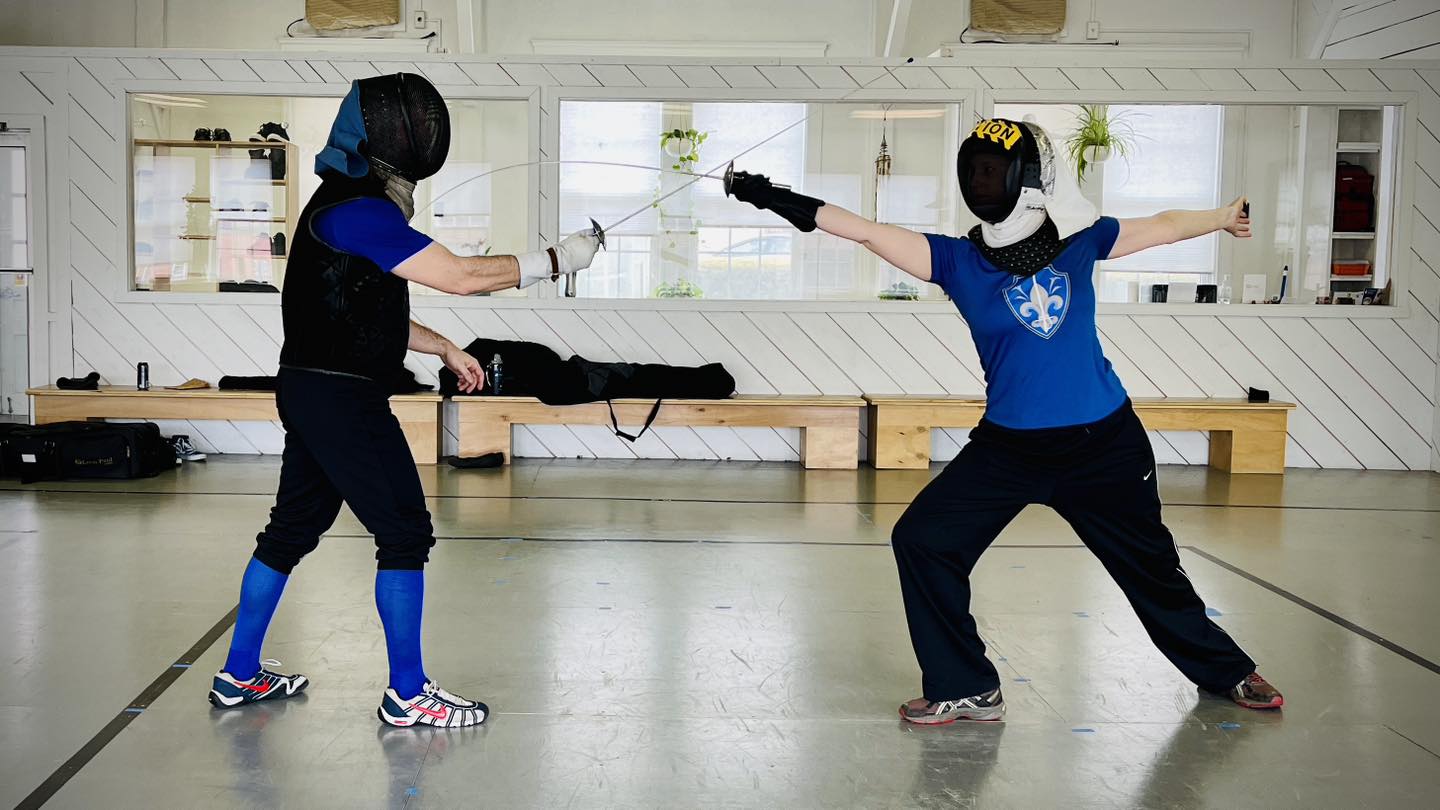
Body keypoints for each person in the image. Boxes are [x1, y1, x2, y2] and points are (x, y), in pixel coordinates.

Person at [727, 117, 1283, 724]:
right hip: (1009, 451)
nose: (981, 180)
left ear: (1029, 179)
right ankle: (967, 685)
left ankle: (1228, 671)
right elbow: (860, 229)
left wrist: (1223, 216)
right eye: (974, 170)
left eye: (994, 170)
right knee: (922, 540)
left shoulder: (1081, 239)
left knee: (1151, 570)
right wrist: (768, 194)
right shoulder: (957, 261)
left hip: (1104, 446)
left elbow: (1165, 226)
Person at [208, 73, 600, 728]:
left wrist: (443, 347)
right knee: (403, 531)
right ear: (387, 139)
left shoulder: (346, 210)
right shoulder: (356, 210)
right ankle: (407, 693)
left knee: (291, 530)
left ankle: (238, 674)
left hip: (313, 388)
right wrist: (557, 260)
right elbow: (464, 277)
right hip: (341, 399)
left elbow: (365, 314)